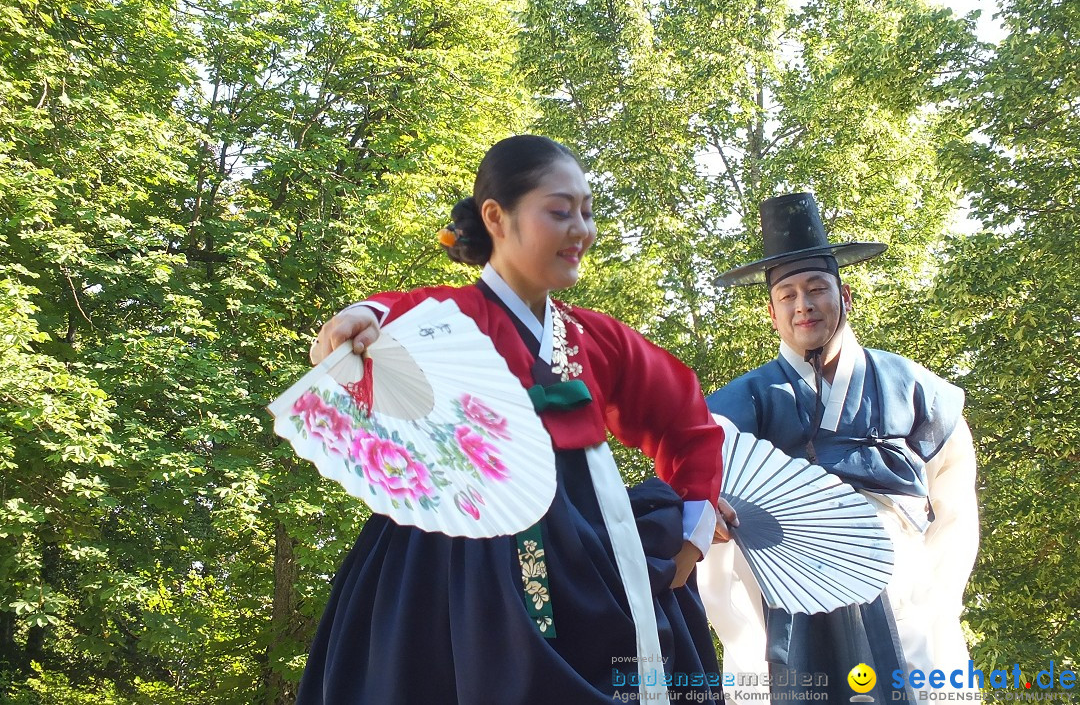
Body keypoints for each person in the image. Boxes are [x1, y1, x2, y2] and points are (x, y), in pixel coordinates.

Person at [297, 134, 734, 704]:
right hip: (461, 571)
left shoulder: (598, 338)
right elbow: (388, 312)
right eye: (559, 211)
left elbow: (686, 420)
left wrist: (692, 534)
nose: (581, 229)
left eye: (587, 211)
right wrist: (358, 316)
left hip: (592, 556)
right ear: (497, 218)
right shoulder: (451, 317)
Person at [697, 192, 979, 704]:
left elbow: (956, 504)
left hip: (899, 582)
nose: (803, 305)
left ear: (844, 295)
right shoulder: (742, 402)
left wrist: (937, 595)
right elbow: (702, 496)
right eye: (788, 295)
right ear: (772, 310)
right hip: (786, 586)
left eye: (816, 288)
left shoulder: (910, 386)